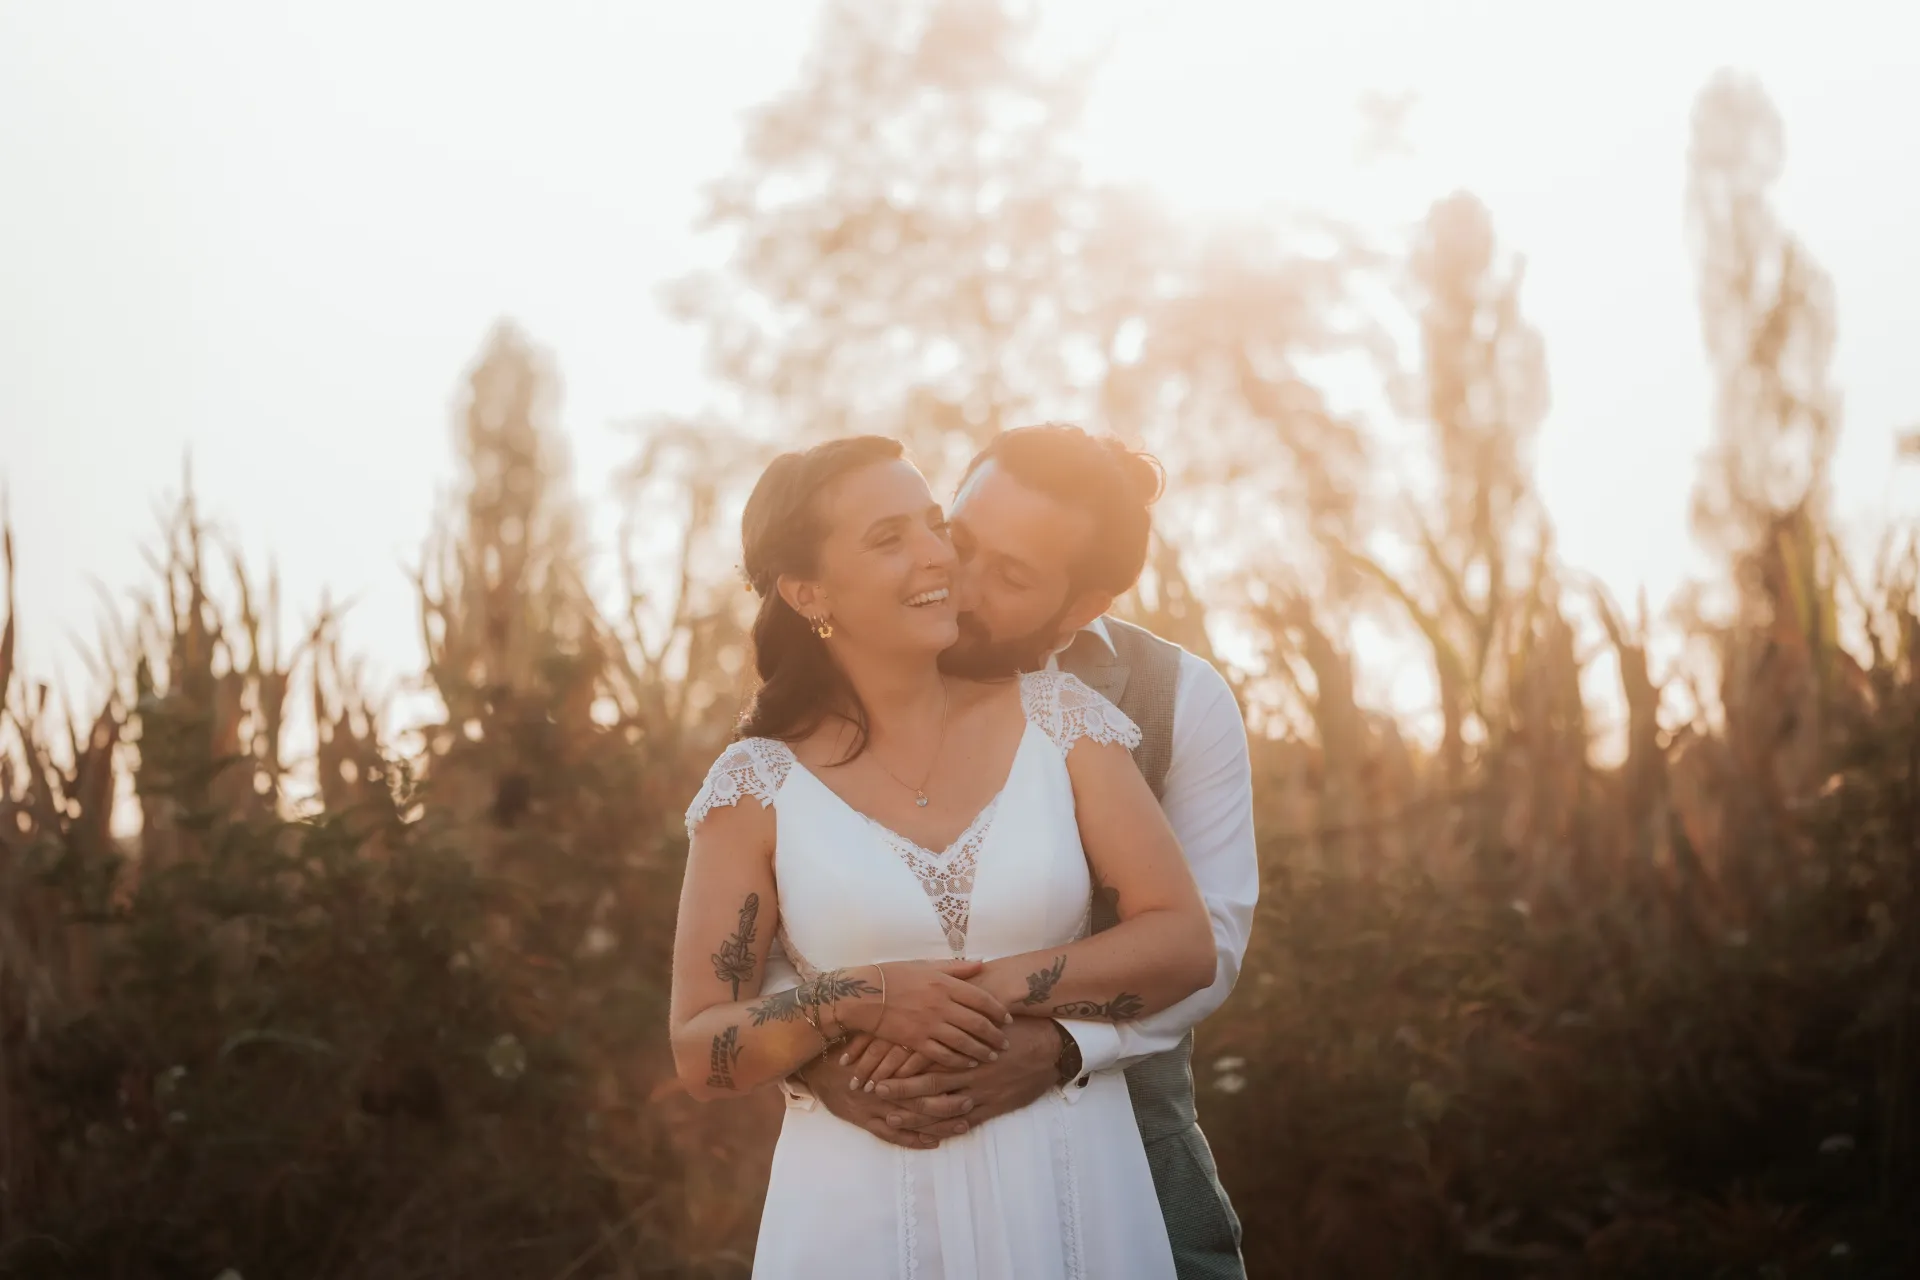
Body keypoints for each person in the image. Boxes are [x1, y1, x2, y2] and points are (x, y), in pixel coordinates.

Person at [669, 433, 1217, 1278]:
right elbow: (702, 1047)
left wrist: (981, 994)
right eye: (890, 539)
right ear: (809, 591)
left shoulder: (1062, 722)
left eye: (933, 525)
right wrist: (865, 998)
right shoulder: (754, 785)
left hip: (1072, 1185)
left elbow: (1184, 945)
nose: (937, 556)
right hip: (859, 1212)